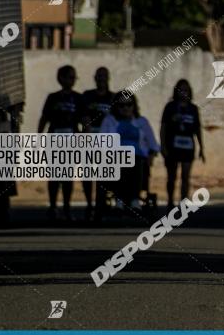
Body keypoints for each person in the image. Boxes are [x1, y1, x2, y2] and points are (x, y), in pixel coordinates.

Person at [101, 92, 160, 213]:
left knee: (135, 160)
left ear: (134, 106)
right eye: (121, 105)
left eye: (128, 105)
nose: (125, 108)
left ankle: (134, 199)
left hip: (137, 158)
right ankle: (119, 199)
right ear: (116, 107)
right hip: (115, 157)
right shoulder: (109, 121)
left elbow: (153, 143)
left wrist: (151, 154)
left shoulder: (142, 122)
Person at [38, 65, 83, 221]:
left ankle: (66, 207)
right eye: (70, 77)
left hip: (71, 139)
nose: (72, 81)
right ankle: (52, 206)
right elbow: (44, 118)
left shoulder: (78, 98)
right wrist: (39, 138)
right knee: (54, 175)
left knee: (68, 176)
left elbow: (84, 120)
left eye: (73, 77)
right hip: (54, 139)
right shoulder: (52, 97)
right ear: (61, 78)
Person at [160, 79, 204, 209]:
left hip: (188, 146)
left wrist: (202, 147)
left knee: (186, 175)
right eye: (181, 90)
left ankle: (183, 202)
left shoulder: (193, 109)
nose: (183, 93)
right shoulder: (170, 107)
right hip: (172, 145)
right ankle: (170, 201)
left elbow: (197, 129)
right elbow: (163, 127)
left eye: (186, 90)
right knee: (172, 176)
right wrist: (163, 146)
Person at [81, 67, 114, 221]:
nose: (101, 78)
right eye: (99, 75)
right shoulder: (88, 96)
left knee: (102, 176)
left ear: (108, 78)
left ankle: (100, 206)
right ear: (94, 78)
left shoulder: (113, 98)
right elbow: (84, 117)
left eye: (104, 76)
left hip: (106, 140)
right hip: (89, 138)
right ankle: (89, 204)